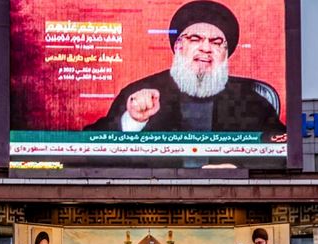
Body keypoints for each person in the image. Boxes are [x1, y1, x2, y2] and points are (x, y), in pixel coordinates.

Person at [84, 0, 285, 139]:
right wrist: (134, 120)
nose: (206, 48)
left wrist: (236, 167)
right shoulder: (139, 93)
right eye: (195, 39)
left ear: (225, 53)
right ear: (178, 46)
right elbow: (90, 144)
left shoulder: (251, 101)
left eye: (216, 42)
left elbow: (280, 146)